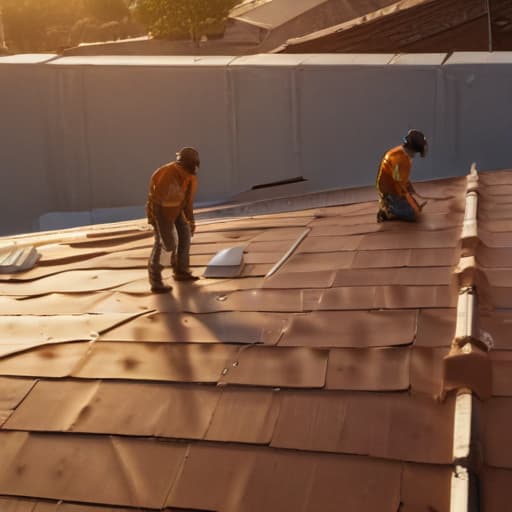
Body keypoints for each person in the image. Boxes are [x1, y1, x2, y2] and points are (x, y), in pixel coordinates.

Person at [146, 147, 200, 293]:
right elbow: (160, 201)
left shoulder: (190, 176)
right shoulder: (168, 173)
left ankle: (181, 271)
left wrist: (191, 221)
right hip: (161, 211)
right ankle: (156, 280)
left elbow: (187, 202)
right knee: (167, 245)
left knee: (185, 234)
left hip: (177, 208)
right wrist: (161, 224)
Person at [376, 129, 428, 222]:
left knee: (414, 208)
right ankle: (388, 209)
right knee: (413, 214)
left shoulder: (403, 155)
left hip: (394, 188)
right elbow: (398, 182)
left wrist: (409, 186)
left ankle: (392, 204)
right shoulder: (400, 159)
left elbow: (401, 178)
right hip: (390, 191)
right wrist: (412, 203)